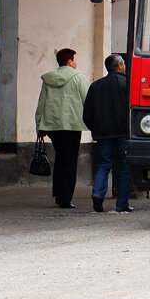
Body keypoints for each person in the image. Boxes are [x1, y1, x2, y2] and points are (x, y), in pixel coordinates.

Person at [35, 48, 89, 208]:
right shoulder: (79, 77)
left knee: (59, 159)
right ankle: (65, 198)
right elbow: (87, 100)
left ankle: (58, 194)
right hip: (72, 125)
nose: (76, 62)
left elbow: (41, 102)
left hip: (52, 125)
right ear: (70, 60)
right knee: (70, 161)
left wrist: (39, 124)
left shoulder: (49, 79)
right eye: (75, 59)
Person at [82, 54, 132, 214]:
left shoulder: (96, 86)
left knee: (103, 166)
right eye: (123, 64)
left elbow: (87, 114)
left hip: (103, 134)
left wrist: (95, 129)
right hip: (123, 133)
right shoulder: (127, 85)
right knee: (125, 167)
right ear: (120, 66)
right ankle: (122, 204)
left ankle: (98, 193)